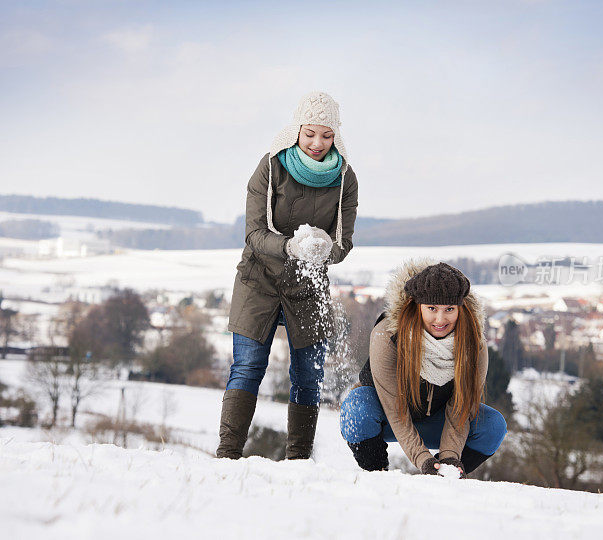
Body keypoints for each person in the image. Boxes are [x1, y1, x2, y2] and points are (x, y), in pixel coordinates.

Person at [217, 91, 358, 460]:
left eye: (327, 135)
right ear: (296, 129)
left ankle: (299, 460)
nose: (317, 143)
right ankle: (227, 455)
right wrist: (291, 247)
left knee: (309, 377)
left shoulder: (345, 178)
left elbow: (344, 244)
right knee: (248, 366)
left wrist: (324, 248)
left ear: (336, 135)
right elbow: (253, 233)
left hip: (308, 286)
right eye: (310, 133)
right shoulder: (270, 166)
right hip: (258, 280)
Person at [340, 260, 506, 476]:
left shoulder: (475, 345)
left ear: (460, 308)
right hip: (386, 418)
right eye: (431, 308)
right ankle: (377, 475)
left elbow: (461, 408)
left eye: (449, 309)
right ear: (416, 307)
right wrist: (422, 459)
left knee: (493, 426)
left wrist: (448, 458)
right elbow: (395, 409)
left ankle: (446, 476)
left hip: (439, 420)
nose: (440, 319)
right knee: (356, 409)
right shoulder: (388, 335)